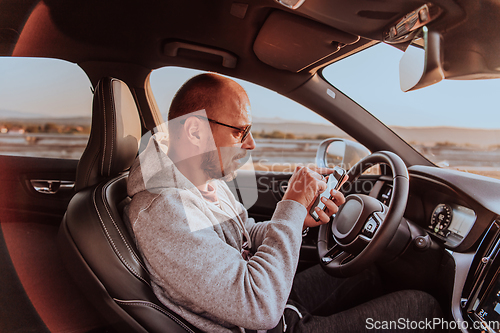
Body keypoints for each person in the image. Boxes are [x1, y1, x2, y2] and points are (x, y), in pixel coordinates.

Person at [125, 73, 442, 333]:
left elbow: (244, 234)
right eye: (241, 131)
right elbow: (259, 308)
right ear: (195, 131)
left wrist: (298, 218)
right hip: (263, 321)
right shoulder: (166, 212)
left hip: (269, 302)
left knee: (367, 273)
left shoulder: (200, 178)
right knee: (421, 308)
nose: (251, 144)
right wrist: (290, 206)